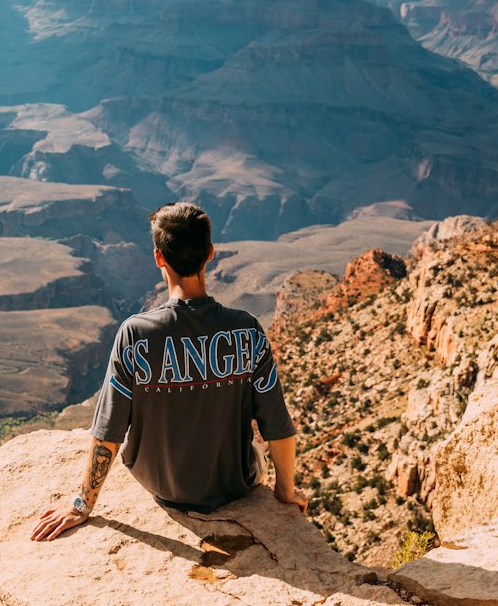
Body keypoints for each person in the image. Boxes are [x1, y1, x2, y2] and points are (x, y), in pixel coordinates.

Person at [31, 200, 307, 542]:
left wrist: (81, 505)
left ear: (159, 258)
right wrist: (285, 492)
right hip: (233, 486)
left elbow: (109, 431)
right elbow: (277, 425)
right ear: (210, 253)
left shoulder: (136, 333)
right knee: (257, 452)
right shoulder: (246, 329)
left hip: (160, 485)